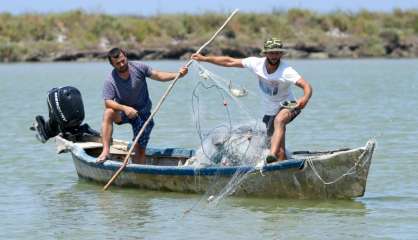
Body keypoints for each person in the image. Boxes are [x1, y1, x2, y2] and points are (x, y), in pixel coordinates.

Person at [192, 37, 312, 162]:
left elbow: (307, 86)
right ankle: (281, 168)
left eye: (277, 53)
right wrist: (204, 59)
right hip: (269, 111)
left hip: (289, 105)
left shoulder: (286, 71)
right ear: (265, 53)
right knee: (278, 146)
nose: (274, 56)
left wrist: (304, 99)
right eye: (271, 53)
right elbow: (229, 61)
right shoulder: (256, 63)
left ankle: (270, 155)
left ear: (281, 54)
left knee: (279, 121)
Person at [97, 47, 188, 164]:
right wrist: (125, 108)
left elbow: (158, 75)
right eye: (117, 63)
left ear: (125, 56)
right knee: (108, 112)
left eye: (123, 60)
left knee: (139, 150)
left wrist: (178, 75)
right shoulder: (110, 80)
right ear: (112, 65)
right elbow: (107, 102)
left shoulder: (139, 67)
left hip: (143, 114)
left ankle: (137, 171)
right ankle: (105, 151)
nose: (121, 64)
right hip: (124, 113)